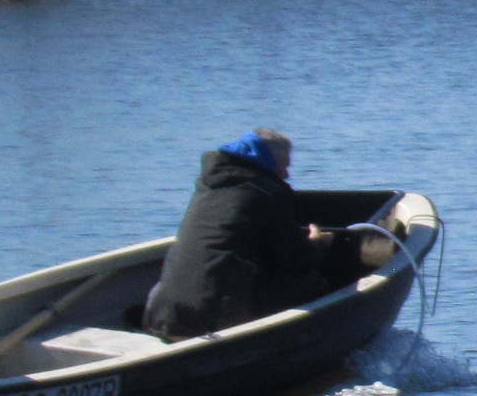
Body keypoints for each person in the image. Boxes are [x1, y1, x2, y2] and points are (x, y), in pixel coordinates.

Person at [142, 128, 339, 340]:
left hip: (163, 312)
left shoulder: (208, 186)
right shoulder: (266, 193)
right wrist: (318, 243)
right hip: (214, 317)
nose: (286, 175)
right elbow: (296, 260)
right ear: (269, 162)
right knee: (313, 282)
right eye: (285, 166)